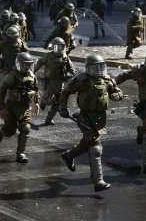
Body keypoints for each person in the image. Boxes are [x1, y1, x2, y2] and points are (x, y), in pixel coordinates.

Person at [59, 54, 123, 192]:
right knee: (95, 147)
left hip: (100, 118)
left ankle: (69, 155)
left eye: (101, 67)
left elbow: (117, 91)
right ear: (89, 69)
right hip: (85, 117)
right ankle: (98, 180)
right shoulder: (82, 80)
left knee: (88, 142)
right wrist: (63, 108)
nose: (98, 70)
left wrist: (117, 95)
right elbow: (66, 91)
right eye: (95, 68)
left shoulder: (107, 80)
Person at [0, 52, 40, 163]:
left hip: (25, 107)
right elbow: (1, 92)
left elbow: (36, 89)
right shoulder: (12, 76)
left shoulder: (32, 76)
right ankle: (2, 130)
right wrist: (2, 108)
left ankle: (20, 153)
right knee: (10, 131)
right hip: (11, 107)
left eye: (29, 64)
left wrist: (36, 102)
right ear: (19, 64)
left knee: (26, 128)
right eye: (24, 64)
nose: (27, 67)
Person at [34, 37, 75, 125]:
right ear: (53, 47)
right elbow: (40, 62)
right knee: (48, 97)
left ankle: (49, 119)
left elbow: (72, 69)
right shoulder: (48, 56)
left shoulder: (65, 57)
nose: (60, 49)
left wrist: (69, 75)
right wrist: (33, 72)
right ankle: (44, 102)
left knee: (58, 102)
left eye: (61, 47)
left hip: (60, 83)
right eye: (57, 47)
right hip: (50, 82)